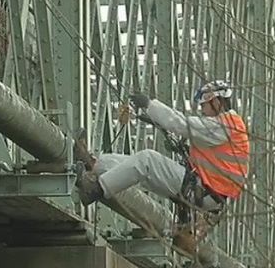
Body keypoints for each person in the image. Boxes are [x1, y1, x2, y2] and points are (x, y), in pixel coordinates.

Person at [74, 80, 250, 253]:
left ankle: (95, 190)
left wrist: (150, 105)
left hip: (203, 191)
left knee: (147, 160)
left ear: (217, 102)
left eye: (204, 105)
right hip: (204, 191)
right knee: (136, 164)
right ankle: (94, 164)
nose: (202, 110)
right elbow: (216, 159)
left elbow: (182, 124)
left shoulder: (226, 125)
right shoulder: (228, 126)